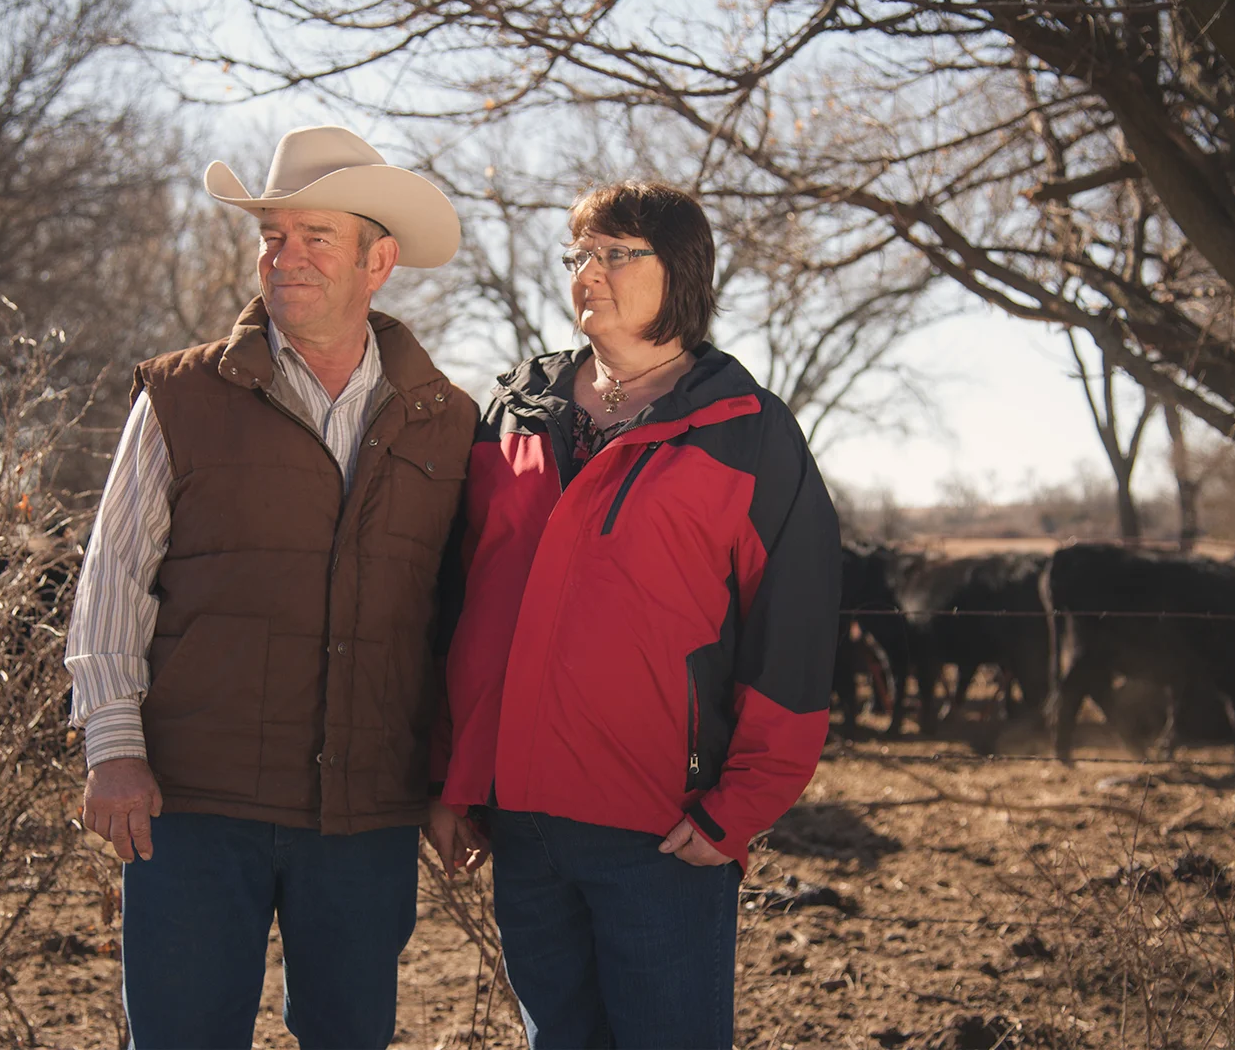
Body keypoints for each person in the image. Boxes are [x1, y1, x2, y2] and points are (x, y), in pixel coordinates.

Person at [66, 125, 477, 1050]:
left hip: (365, 812)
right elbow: (112, 579)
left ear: (379, 260)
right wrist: (113, 746)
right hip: (194, 802)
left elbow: (454, 619)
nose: (282, 258)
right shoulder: (180, 396)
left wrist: (457, 774)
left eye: (313, 237)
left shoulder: (447, 421)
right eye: (271, 236)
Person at [432, 180, 841, 1048]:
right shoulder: (514, 412)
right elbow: (460, 606)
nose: (590, 273)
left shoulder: (748, 432)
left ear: (683, 272)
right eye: (580, 254)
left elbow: (795, 632)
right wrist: (455, 776)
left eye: (618, 254)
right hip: (522, 820)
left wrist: (739, 805)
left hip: (664, 828)